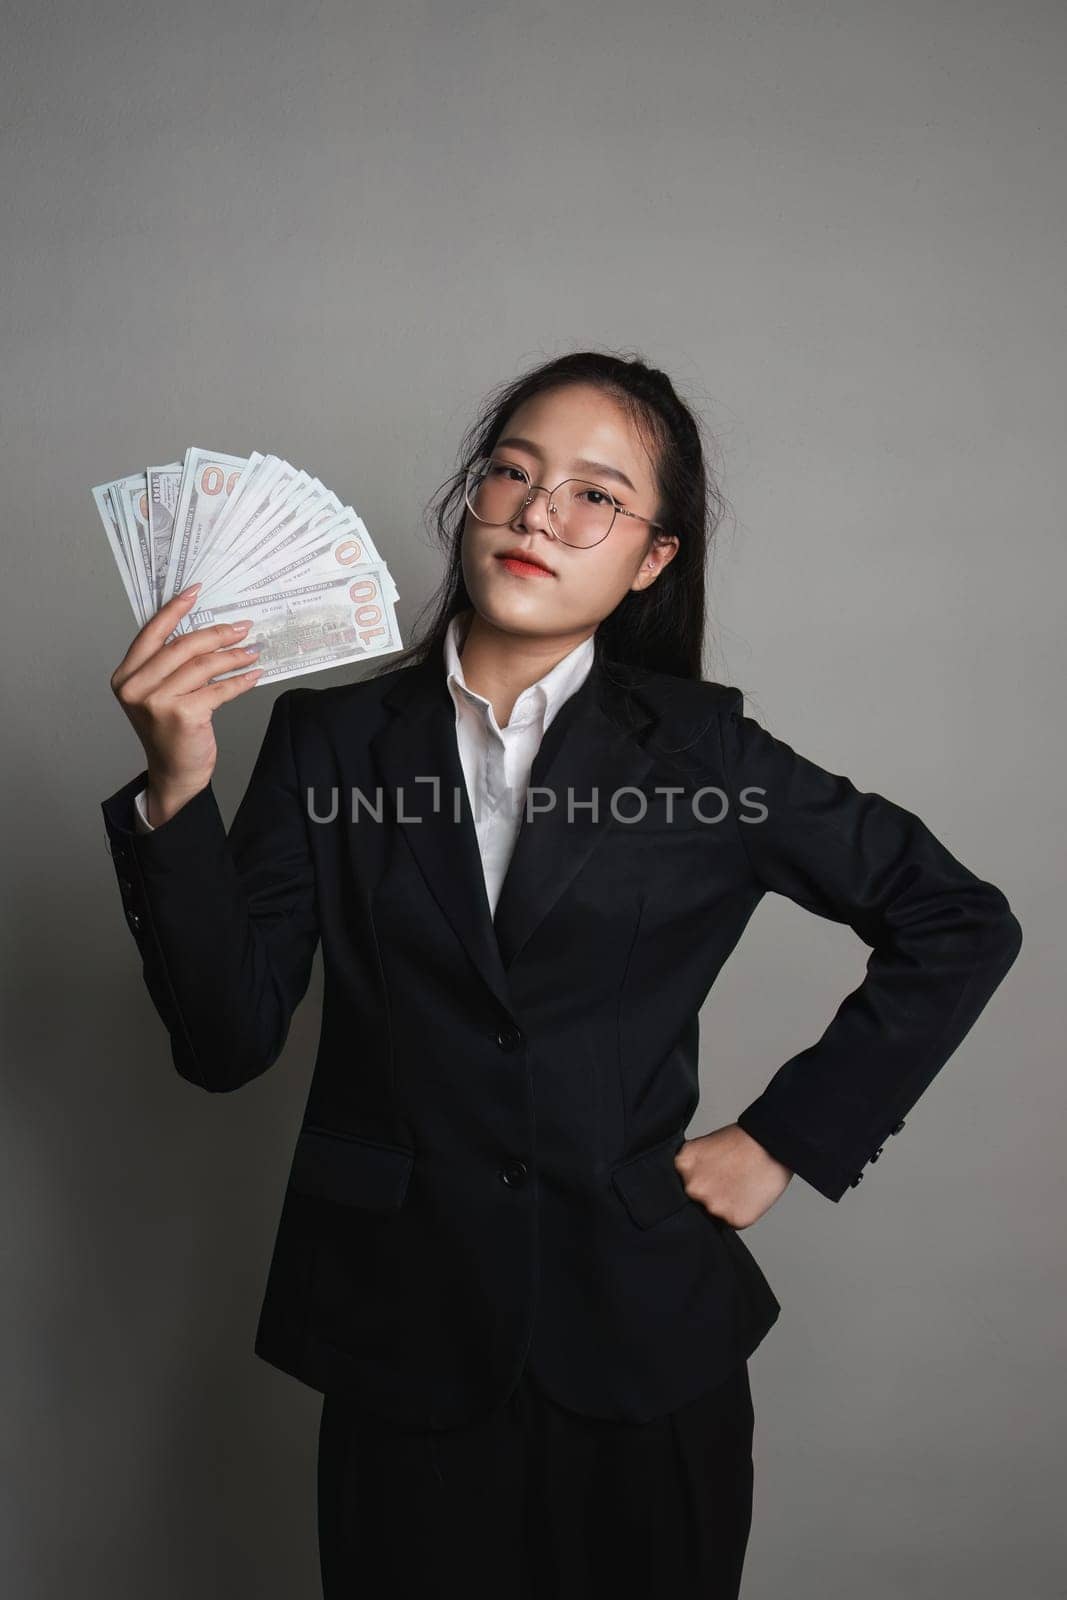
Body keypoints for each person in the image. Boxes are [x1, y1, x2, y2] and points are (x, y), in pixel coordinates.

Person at [101, 352, 1023, 1599]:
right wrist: (175, 789)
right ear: (469, 503)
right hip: (401, 1337)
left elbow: (956, 918)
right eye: (513, 474)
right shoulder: (330, 741)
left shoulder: (703, 752)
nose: (540, 511)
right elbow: (224, 1044)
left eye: (596, 494)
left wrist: (788, 1135)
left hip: (644, 1345)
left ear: (651, 558)